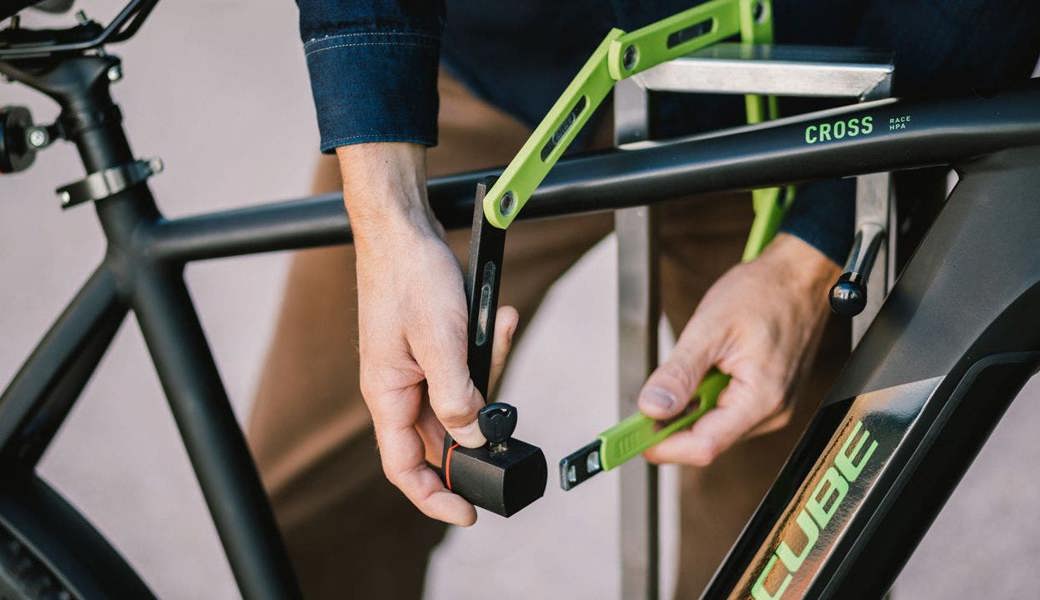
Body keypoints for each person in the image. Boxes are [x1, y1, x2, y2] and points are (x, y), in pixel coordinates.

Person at [247, 1, 1040, 597]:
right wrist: (385, 212)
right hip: (478, 73)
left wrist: (815, 249)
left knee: (782, 555)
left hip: (792, 99)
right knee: (309, 514)